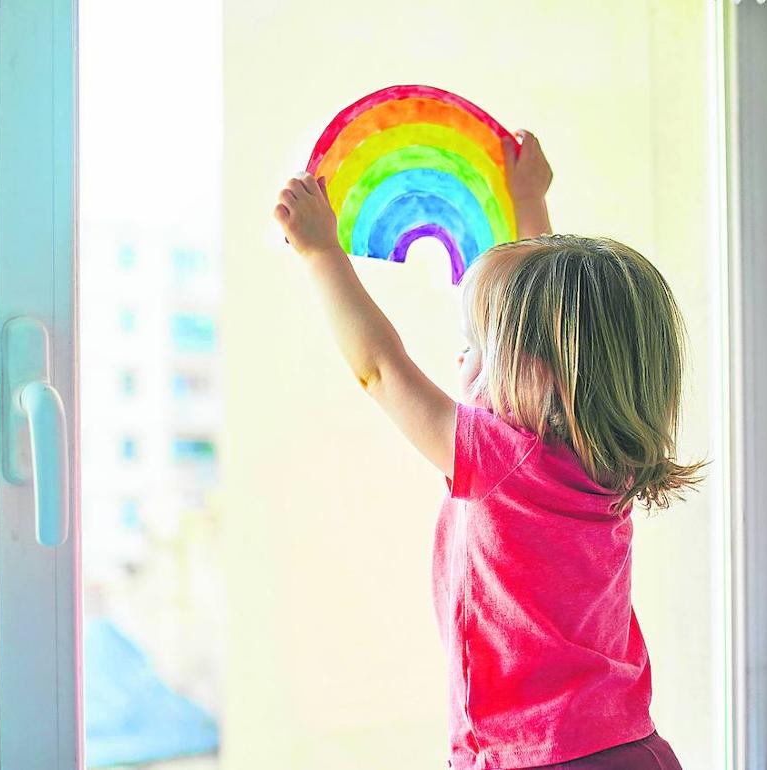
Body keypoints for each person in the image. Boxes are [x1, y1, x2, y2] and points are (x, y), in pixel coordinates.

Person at [272, 130, 700, 769]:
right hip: (631, 745)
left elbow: (381, 370)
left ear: (540, 373)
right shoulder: (609, 458)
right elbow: (559, 315)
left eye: (476, 346)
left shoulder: (504, 459)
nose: (460, 359)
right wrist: (528, 201)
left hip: (539, 757)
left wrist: (320, 252)